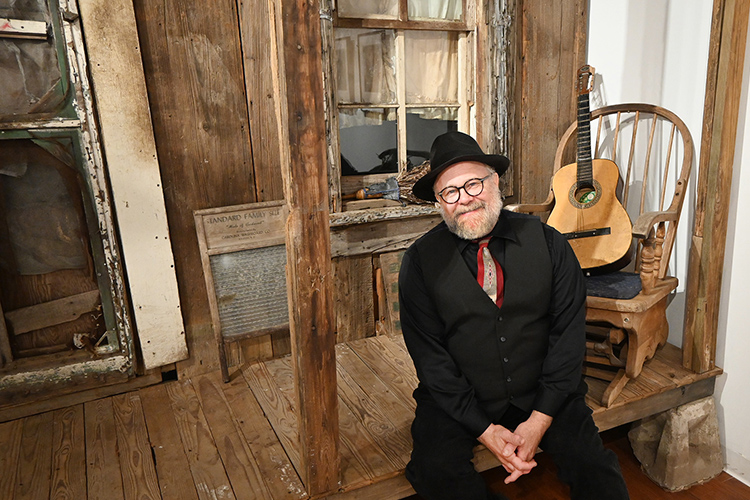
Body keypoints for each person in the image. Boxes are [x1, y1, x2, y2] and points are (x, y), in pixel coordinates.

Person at [398, 131, 630, 500]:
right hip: (460, 398)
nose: (465, 200)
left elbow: (567, 337)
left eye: (473, 184)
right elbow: (431, 360)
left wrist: (540, 419)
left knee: (594, 468)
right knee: (436, 472)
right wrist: (484, 429)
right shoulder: (419, 263)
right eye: (451, 192)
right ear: (440, 203)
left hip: (544, 388)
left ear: (496, 183)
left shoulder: (551, 243)